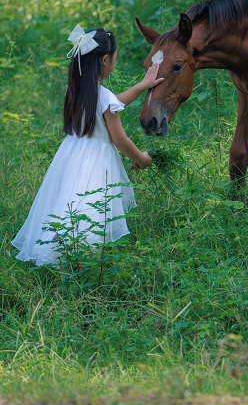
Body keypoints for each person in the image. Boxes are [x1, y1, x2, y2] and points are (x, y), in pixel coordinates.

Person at [12, 24, 163, 267]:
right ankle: (84, 261)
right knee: (92, 204)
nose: (114, 62)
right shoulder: (103, 97)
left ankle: (60, 251)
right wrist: (141, 159)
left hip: (72, 154)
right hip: (97, 160)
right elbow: (119, 139)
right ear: (105, 60)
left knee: (70, 200)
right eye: (115, 59)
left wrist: (141, 86)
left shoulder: (74, 90)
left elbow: (108, 104)